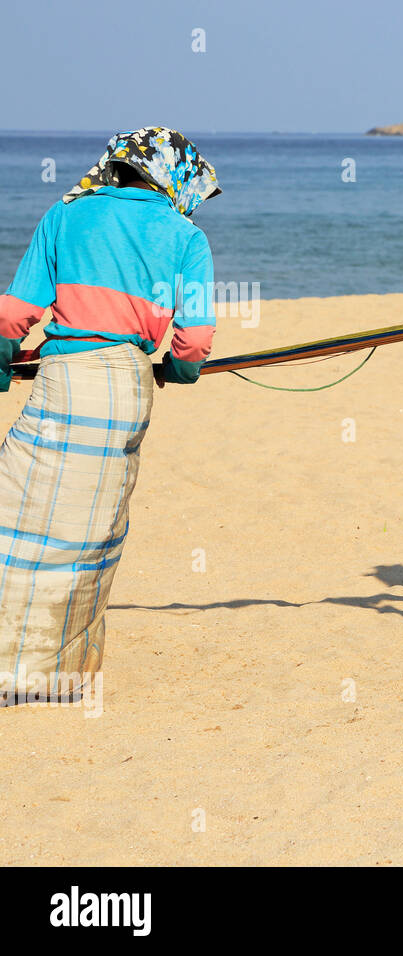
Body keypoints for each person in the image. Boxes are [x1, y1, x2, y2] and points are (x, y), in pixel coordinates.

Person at [0, 128, 220, 704]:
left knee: (19, 513)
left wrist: (2, 365)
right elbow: (194, 342)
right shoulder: (185, 236)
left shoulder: (66, 215)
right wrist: (174, 369)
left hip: (64, 381)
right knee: (91, 529)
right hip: (127, 390)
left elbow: (15, 313)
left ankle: (14, 671)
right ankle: (62, 676)